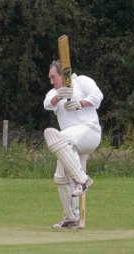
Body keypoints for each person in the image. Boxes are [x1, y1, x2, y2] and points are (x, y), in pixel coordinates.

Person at [43, 60, 103, 228]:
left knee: (59, 138)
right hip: (69, 143)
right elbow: (47, 104)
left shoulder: (82, 81)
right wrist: (59, 95)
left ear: (63, 75)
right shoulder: (53, 93)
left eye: (53, 77)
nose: (51, 81)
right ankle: (71, 217)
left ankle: (82, 180)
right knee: (60, 177)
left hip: (88, 131)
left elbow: (98, 96)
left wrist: (80, 104)